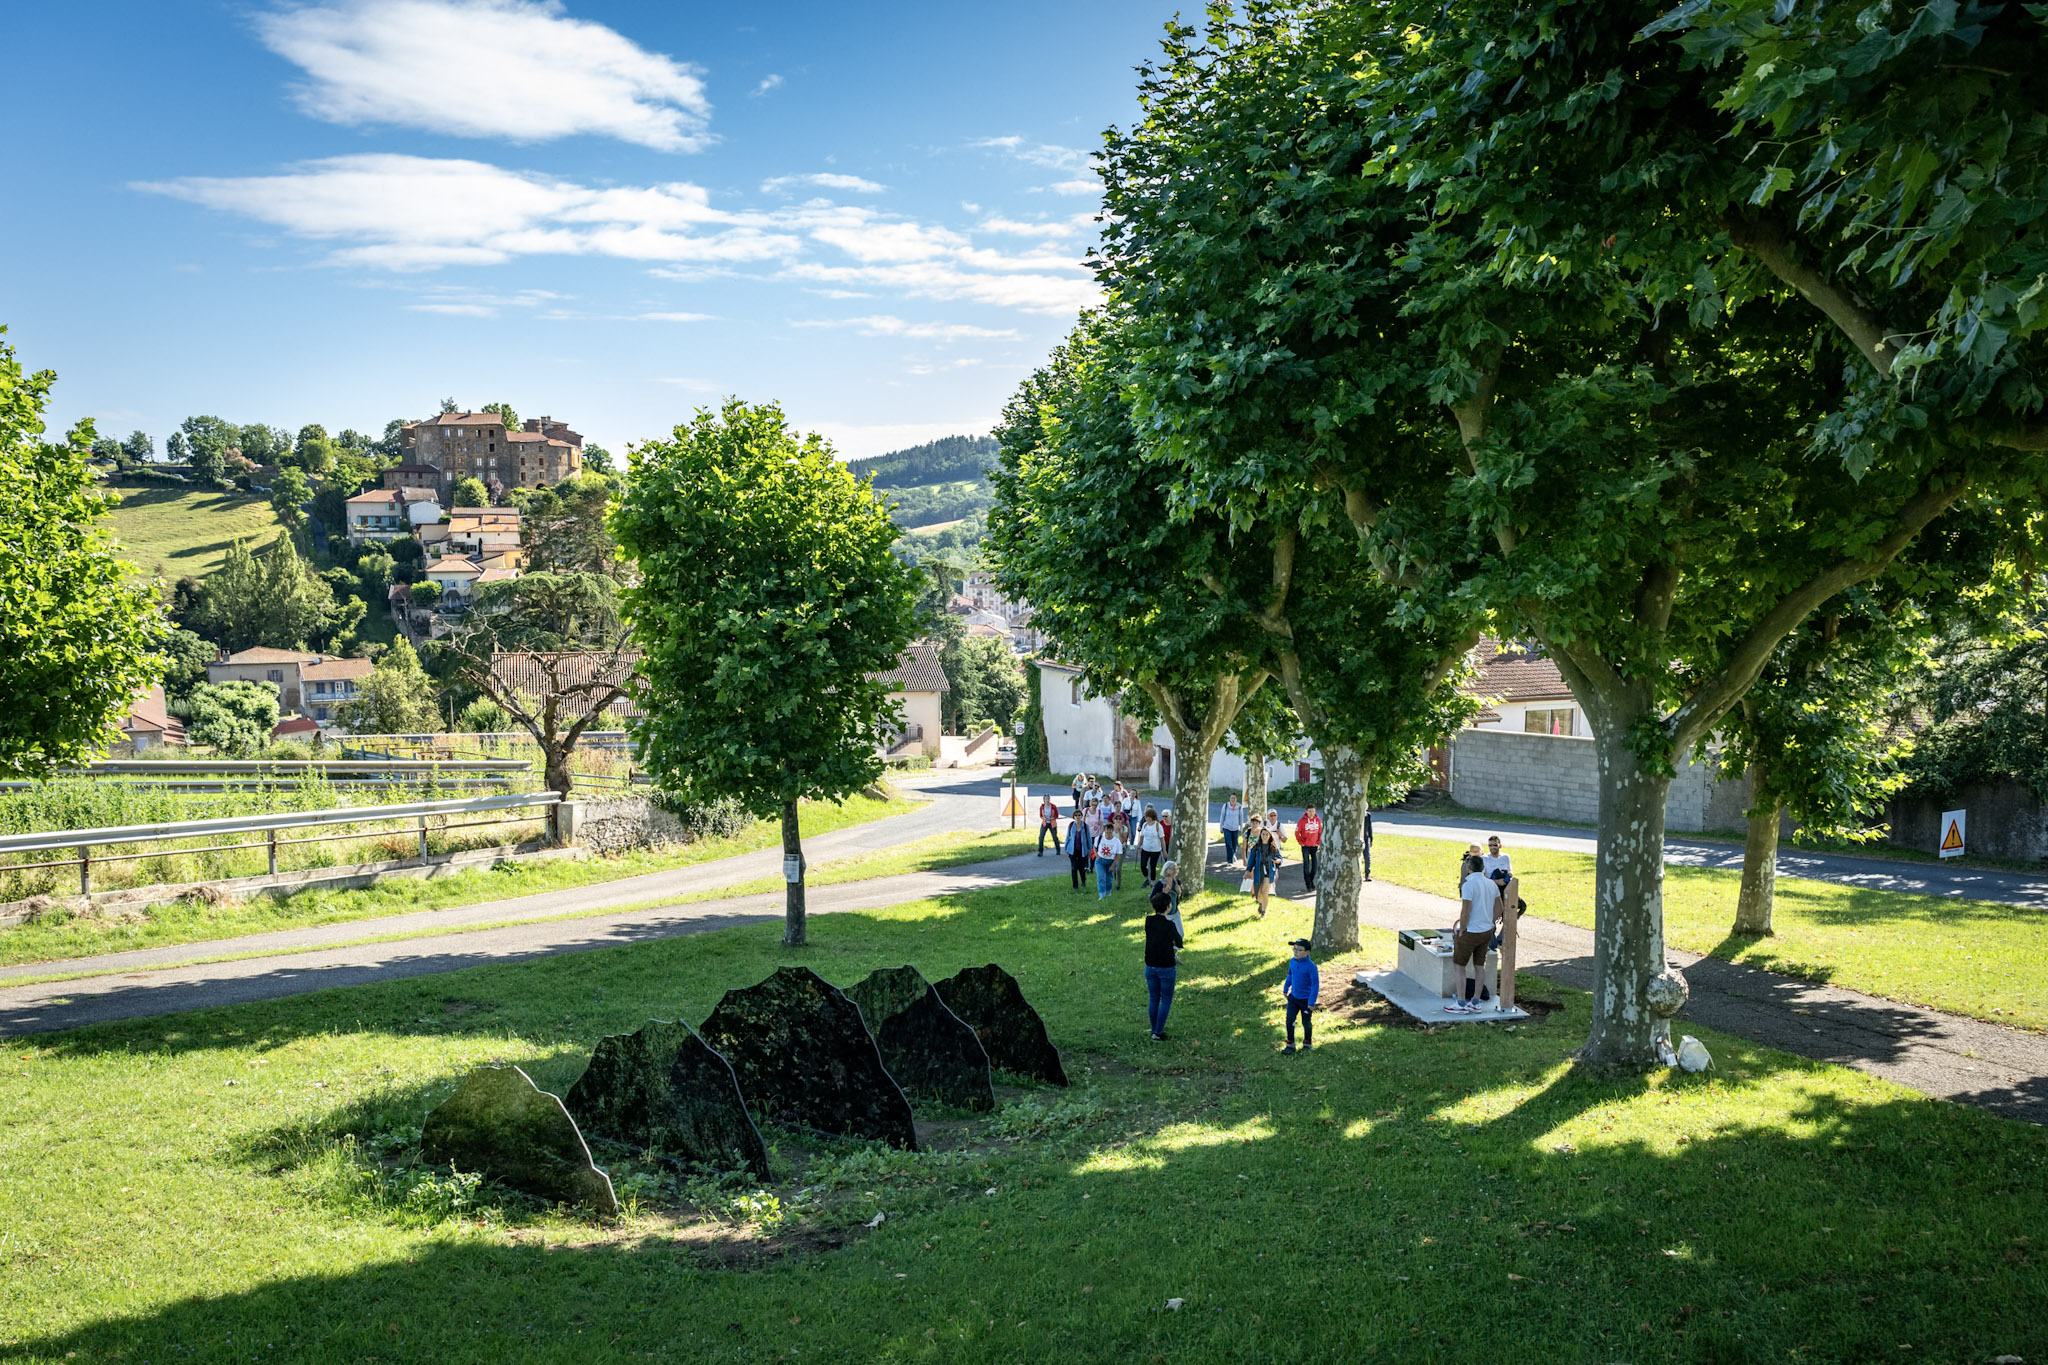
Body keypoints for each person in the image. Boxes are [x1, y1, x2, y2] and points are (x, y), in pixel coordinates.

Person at [1451, 853, 1503, 1012]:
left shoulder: (1468, 885)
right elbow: (1499, 907)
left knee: (1459, 965)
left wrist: (1462, 929)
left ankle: (1460, 1003)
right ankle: (1475, 1001)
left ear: (1469, 868)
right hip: (1486, 930)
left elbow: (1465, 911)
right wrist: (1491, 922)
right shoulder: (1491, 884)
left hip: (1470, 931)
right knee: (1480, 965)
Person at [1144, 890, 1183, 1041]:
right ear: (1168, 906)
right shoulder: (1170, 925)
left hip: (1150, 965)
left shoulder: (1148, 921)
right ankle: (1158, 1031)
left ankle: (1154, 1028)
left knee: (1154, 997)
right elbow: (1179, 941)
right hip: (1166, 966)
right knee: (1166, 999)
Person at [1280, 937, 1320, 1054]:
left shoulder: (1311, 967)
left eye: (1299, 950)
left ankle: (1307, 1043)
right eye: (1294, 949)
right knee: (1289, 1020)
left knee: (1306, 1022)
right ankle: (1290, 1044)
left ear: (1307, 952)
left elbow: (1315, 985)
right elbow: (1290, 975)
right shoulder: (1292, 962)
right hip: (1293, 998)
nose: (1295, 952)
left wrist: (1311, 1002)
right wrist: (1286, 988)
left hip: (1306, 1000)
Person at [1244, 818, 1280, 918]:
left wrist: (1278, 861)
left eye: (1266, 834)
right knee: (1258, 894)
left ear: (1269, 836)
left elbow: (1279, 857)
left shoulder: (1273, 847)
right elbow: (1251, 861)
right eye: (1263, 834)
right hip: (1258, 872)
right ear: (1261, 835)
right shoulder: (1256, 847)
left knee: (1265, 892)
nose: (1264, 836)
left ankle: (1264, 912)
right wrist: (1247, 871)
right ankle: (1260, 903)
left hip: (1269, 872)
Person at [1064, 810, 1095, 891]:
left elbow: (1089, 838)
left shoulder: (1085, 826)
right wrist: (1066, 848)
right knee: (1074, 867)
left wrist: (1089, 850)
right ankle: (1075, 885)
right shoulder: (1071, 825)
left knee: (1081, 867)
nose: (1077, 817)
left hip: (1082, 850)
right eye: (1076, 815)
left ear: (1082, 816)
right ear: (1074, 817)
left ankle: (1083, 881)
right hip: (1072, 850)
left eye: (1079, 815)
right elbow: (1068, 837)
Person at [1295, 805, 1323, 892]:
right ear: (1306, 811)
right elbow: (1297, 833)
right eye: (1310, 811)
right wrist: (1301, 842)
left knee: (1315, 867)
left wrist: (1318, 842)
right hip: (1305, 846)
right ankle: (1308, 885)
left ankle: (1311, 881)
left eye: (1313, 811)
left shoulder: (1318, 820)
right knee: (1306, 866)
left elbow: (1320, 832)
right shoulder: (1301, 821)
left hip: (1314, 846)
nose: (1311, 813)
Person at [1135, 807, 1166, 881]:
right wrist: (1139, 846)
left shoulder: (1158, 826)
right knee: (1143, 865)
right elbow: (1142, 837)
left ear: (1151, 817)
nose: (1145, 818)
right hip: (1145, 848)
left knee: (1153, 866)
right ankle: (1147, 879)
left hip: (1155, 850)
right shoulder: (1145, 825)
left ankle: (1152, 882)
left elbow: (1162, 839)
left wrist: (1164, 851)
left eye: (1147, 816)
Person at [1094, 823, 1124, 899]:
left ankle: (1108, 892)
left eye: (1110, 829)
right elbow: (1094, 847)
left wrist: (1113, 865)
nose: (1108, 831)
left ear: (1113, 830)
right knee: (1101, 877)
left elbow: (1118, 854)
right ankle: (1101, 894)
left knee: (1109, 879)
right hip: (1100, 861)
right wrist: (1097, 855)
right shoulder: (1099, 838)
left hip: (1111, 861)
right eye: (1107, 829)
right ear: (1104, 830)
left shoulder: (1116, 841)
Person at [1220, 795, 1246, 864]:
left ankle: (1233, 854)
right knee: (1228, 844)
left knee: (1235, 844)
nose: (1233, 799)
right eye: (1231, 798)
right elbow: (1222, 817)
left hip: (1235, 829)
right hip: (1226, 828)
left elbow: (1241, 818)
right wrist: (1221, 827)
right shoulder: (1225, 806)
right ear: (1229, 799)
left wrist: (1241, 828)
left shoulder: (1239, 807)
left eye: (1234, 798)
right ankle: (1229, 861)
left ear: (1236, 799)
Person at [1362, 807, 1374, 882]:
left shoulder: (1367, 815)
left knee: (1367, 856)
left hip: (1365, 838)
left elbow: (1370, 828)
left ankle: (1367, 874)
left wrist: (1371, 838)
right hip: (1357, 838)